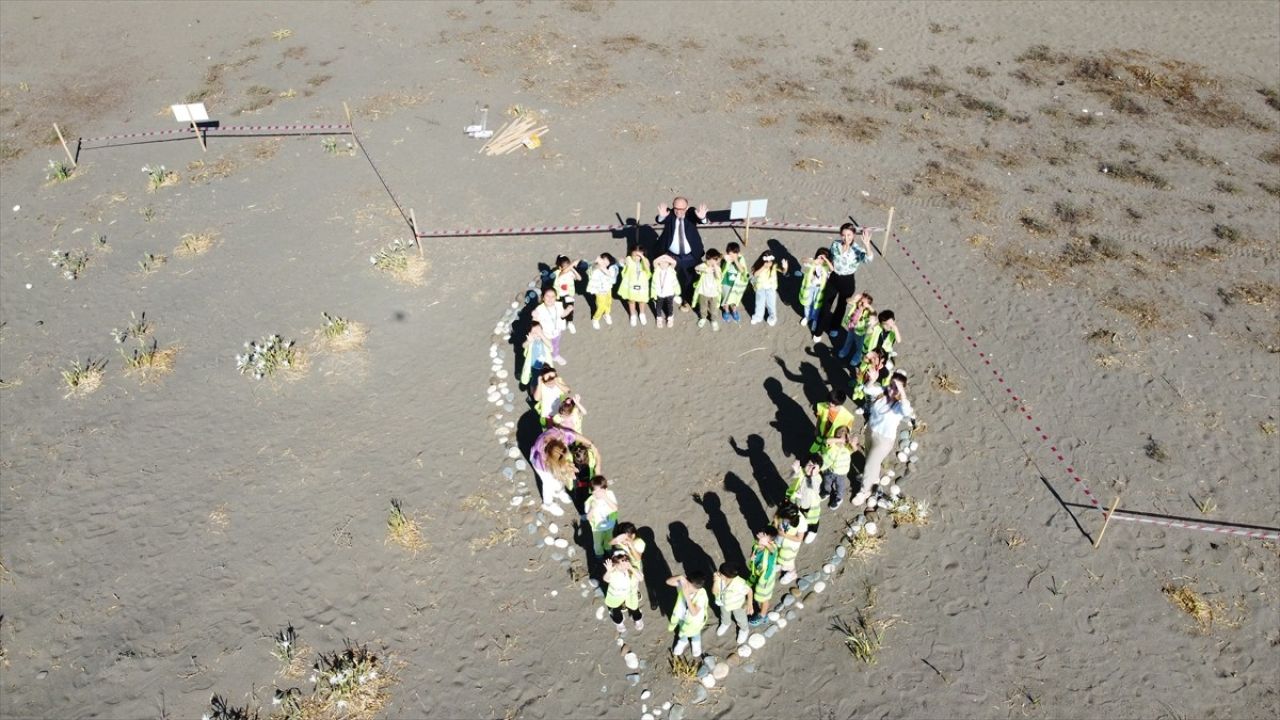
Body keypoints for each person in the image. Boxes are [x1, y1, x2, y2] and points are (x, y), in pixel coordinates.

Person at [852, 372, 915, 506]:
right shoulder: (881, 393)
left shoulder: (899, 405)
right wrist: (872, 380)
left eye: (896, 388)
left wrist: (902, 391)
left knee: (871, 463)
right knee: (869, 457)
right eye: (891, 385)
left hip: (884, 440)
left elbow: (907, 411)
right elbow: (867, 390)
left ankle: (864, 491)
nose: (892, 389)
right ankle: (872, 479)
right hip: (870, 431)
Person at [815, 222, 874, 343]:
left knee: (841, 306)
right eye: (843, 235)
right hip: (834, 278)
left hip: (847, 281)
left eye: (849, 235)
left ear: (853, 235)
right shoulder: (835, 244)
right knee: (826, 305)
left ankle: (835, 327)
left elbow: (868, 259)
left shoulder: (857, 250)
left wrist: (867, 245)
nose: (846, 238)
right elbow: (830, 258)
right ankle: (818, 330)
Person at [656, 197, 709, 306]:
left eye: (682, 209)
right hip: (672, 255)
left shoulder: (691, 213)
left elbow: (701, 220)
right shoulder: (670, 214)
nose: (679, 212)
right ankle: (677, 294)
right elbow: (660, 219)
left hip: (690, 255)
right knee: (673, 276)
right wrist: (661, 216)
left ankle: (687, 298)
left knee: (690, 278)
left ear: (687, 207)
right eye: (676, 209)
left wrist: (702, 218)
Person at [528, 427, 587, 516]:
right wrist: (565, 470)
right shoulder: (544, 461)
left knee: (557, 480)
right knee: (548, 483)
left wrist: (589, 443)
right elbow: (555, 470)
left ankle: (559, 491)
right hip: (539, 465)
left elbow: (571, 434)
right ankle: (548, 504)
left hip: (551, 460)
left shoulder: (560, 437)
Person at [666, 571, 710, 658]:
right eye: (688, 585)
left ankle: (696, 644)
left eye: (693, 589)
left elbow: (694, 612)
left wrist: (686, 596)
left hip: (695, 622)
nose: (689, 589)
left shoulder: (701, 595)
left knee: (695, 633)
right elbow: (668, 582)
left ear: (699, 588)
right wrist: (679, 577)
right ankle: (683, 641)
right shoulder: (684, 585)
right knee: (682, 631)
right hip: (682, 617)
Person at [712, 562, 753, 644]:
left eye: (720, 573)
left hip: (738, 605)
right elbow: (715, 592)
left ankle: (744, 629)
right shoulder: (719, 578)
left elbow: (749, 591)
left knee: (740, 618)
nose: (718, 573)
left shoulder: (739, 584)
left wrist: (749, 603)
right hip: (723, 603)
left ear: (727, 575)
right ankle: (725, 623)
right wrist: (716, 581)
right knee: (724, 615)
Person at [746, 526, 780, 626]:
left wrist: (765, 544)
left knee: (764, 599)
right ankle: (751, 602)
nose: (761, 535)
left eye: (764, 535)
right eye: (763, 532)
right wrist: (752, 557)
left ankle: (762, 615)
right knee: (750, 587)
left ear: (770, 541)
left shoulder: (771, 549)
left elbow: (773, 551)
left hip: (765, 580)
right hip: (755, 573)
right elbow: (753, 553)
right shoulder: (757, 544)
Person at [603, 551, 643, 633]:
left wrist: (631, 568)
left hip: (630, 595)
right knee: (616, 611)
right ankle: (619, 622)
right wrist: (609, 571)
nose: (623, 566)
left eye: (625, 562)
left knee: (635, 608)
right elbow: (606, 579)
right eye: (620, 564)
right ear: (615, 564)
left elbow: (640, 578)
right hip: (615, 597)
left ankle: (637, 619)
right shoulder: (614, 573)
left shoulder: (632, 570)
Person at [787, 456, 825, 543]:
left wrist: (813, 475)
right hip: (798, 502)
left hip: (810, 508)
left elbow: (811, 485)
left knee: (813, 521)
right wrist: (795, 470)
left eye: (814, 467)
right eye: (809, 464)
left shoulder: (817, 479)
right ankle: (800, 527)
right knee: (799, 518)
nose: (811, 468)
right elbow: (794, 476)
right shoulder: (802, 471)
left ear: (819, 471)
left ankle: (813, 531)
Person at [819, 425, 857, 510]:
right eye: (839, 434)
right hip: (829, 470)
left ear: (847, 437)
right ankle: (826, 491)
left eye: (844, 434)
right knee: (827, 482)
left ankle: (839, 498)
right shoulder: (832, 445)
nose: (841, 437)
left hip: (842, 474)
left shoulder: (847, 448)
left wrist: (852, 443)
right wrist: (839, 440)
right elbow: (826, 440)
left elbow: (855, 449)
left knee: (840, 486)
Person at [810, 387, 855, 454]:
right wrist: (817, 428)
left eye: (830, 404)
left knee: (826, 455)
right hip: (821, 434)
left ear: (838, 404)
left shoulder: (848, 417)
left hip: (832, 442)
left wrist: (837, 441)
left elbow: (846, 434)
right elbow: (820, 418)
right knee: (817, 450)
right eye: (827, 401)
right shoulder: (823, 406)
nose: (827, 404)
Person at [798, 247, 833, 333]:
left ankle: (814, 319)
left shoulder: (826, 266)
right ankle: (807, 317)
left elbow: (832, 269)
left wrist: (825, 260)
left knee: (816, 306)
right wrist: (813, 261)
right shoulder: (813, 262)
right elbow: (803, 260)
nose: (821, 259)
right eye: (820, 256)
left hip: (819, 289)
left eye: (824, 258)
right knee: (807, 303)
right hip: (810, 287)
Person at [531, 288, 570, 365]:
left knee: (555, 346)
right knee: (544, 349)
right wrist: (534, 317)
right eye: (547, 296)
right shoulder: (539, 309)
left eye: (553, 296)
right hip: (545, 335)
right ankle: (544, 360)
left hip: (557, 332)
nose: (550, 299)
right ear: (543, 297)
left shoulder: (559, 305)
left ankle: (555, 356)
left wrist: (567, 311)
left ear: (556, 297)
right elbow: (535, 324)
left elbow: (562, 315)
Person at [749, 250, 788, 326]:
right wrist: (764, 267)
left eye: (770, 260)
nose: (768, 262)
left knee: (771, 304)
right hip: (760, 288)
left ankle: (772, 318)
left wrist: (785, 268)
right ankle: (757, 317)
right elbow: (755, 274)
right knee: (759, 304)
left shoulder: (774, 265)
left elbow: (783, 272)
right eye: (766, 260)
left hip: (771, 288)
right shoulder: (759, 265)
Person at [774, 502, 808, 585]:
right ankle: (781, 565)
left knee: (788, 561)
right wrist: (776, 523)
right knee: (778, 553)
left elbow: (799, 538)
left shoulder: (801, 522)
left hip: (790, 546)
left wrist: (784, 535)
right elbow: (777, 517)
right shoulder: (785, 511)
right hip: (781, 539)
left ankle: (792, 573)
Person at [584, 476, 619, 557]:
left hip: (610, 525)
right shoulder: (590, 501)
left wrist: (605, 498)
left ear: (606, 489)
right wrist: (592, 508)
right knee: (597, 543)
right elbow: (588, 518)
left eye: (601, 490)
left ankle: (608, 548)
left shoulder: (609, 494)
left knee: (609, 538)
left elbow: (615, 508)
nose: (598, 493)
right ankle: (599, 554)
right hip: (597, 528)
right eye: (595, 491)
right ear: (591, 492)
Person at [619, 245, 652, 327]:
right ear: (631, 254)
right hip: (631, 286)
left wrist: (642, 257)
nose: (637, 257)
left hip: (642, 286)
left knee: (642, 301)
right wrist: (623, 261)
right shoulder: (629, 260)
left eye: (639, 255)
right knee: (631, 301)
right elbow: (623, 262)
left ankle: (642, 313)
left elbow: (647, 266)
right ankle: (633, 315)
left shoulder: (644, 261)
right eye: (634, 255)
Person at [837, 292, 875, 363]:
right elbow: (847, 301)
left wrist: (869, 307)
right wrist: (855, 299)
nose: (860, 303)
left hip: (860, 332)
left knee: (859, 345)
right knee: (848, 340)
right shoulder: (855, 305)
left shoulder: (868, 312)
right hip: (851, 327)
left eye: (863, 303)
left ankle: (857, 356)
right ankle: (845, 350)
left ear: (867, 305)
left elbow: (874, 313)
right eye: (860, 301)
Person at [586, 253, 619, 329]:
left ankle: (606, 314)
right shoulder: (595, 268)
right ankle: (595, 319)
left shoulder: (611, 268)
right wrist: (597, 263)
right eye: (603, 260)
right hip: (600, 292)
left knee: (608, 303)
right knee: (601, 306)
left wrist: (602, 265)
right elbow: (590, 270)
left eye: (607, 261)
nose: (605, 263)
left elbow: (610, 274)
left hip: (608, 290)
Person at [719, 242, 750, 323]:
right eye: (730, 255)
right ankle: (726, 311)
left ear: (738, 253)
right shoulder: (725, 259)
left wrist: (736, 260)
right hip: (726, 283)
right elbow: (719, 259)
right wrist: (725, 259)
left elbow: (743, 270)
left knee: (734, 300)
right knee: (725, 300)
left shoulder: (741, 259)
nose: (731, 257)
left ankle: (734, 311)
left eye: (734, 255)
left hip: (736, 285)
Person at [693, 249, 724, 331]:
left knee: (713, 308)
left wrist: (715, 268)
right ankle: (703, 317)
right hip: (703, 292)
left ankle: (713, 320)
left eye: (715, 260)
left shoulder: (717, 268)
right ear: (707, 259)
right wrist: (705, 270)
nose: (711, 263)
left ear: (717, 260)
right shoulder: (704, 265)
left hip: (714, 294)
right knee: (703, 307)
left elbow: (719, 277)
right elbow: (696, 268)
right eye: (709, 261)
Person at [553, 255, 582, 335]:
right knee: (560, 312)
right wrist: (572, 264)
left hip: (569, 295)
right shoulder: (558, 273)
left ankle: (570, 322)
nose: (568, 268)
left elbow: (579, 278)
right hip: (559, 296)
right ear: (560, 267)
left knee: (570, 309)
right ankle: (560, 323)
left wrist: (573, 269)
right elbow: (563, 272)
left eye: (568, 266)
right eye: (566, 267)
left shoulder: (570, 272)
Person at [519, 321, 553, 387]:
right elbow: (523, 345)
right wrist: (528, 341)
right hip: (534, 365)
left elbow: (550, 345)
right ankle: (533, 390)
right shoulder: (531, 341)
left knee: (546, 377)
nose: (538, 334)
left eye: (539, 331)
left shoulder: (545, 339)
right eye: (534, 332)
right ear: (529, 334)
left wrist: (542, 335)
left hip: (545, 365)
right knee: (535, 380)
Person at [571, 440, 601, 514]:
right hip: (585, 482)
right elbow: (597, 454)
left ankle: (583, 510)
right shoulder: (591, 458)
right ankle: (585, 509)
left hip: (582, 482)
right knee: (582, 496)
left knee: (580, 496)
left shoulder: (572, 459)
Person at [650, 253, 680, 328]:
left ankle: (670, 317)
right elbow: (654, 262)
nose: (663, 264)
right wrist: (662, 257)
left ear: (669, 263)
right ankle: (659, 318)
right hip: (659, 293)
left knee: (670, 306)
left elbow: (674, 262)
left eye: (666, 262)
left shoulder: (671, 269)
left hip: (670, 292)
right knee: (658, 306)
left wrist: (665, 257)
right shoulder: (657, 269)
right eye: (661, 262)